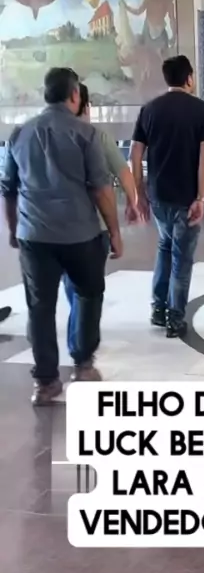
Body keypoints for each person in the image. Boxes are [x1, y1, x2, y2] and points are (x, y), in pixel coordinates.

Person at [0, 68, 123, 405]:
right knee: (88, 295)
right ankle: (83, 364)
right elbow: (101, 189)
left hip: (34, 236)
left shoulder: (20, 133)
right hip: (80, 235)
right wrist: (114, 232)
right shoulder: (86, 134)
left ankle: (45, 382)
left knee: (39, 307)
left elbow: (8, 189)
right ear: (75, 95)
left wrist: (13, 229)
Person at [130, 55, 204, 338]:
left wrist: (139, 193)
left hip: (158, 196)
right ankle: (175, 318)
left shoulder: (149, 109)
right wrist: (201, 197)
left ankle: (158, 308)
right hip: (187, 198)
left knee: (165, 247)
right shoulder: (202, 110)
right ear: (189, 78)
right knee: (182, 257)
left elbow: (135, 154)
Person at [63, 82, 138, 360]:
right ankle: (81, 347)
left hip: (55, 227)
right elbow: (122, 172)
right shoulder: (97, 136)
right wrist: (132, 201)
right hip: (95, 226)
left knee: (72, 285)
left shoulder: (42, 134)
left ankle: (77, 340)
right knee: (89, 290)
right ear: (85, 105)